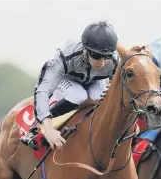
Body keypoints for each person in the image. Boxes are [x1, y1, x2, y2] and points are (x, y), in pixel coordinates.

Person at [20, 21, 119, 150]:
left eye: (107, 56)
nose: (102, 62)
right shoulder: (67, 54)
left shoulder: (114, 61)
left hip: (93, 81)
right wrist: (48, 129)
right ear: (86, 50)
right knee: (78, 95)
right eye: (97, 55)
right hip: (67, 79)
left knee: (98, 96)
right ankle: (35, 127)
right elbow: (43, 90)